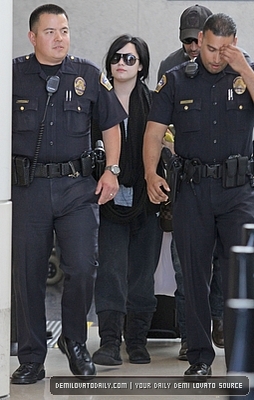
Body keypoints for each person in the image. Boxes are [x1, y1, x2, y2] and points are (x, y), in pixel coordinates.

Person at [11, 4, 127, 384]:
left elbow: (111, 126)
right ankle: (31, 357)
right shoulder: (12, 75)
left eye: (64, 30)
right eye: (50, 32)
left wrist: (111, 171)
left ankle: (75, 342)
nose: (59, 38)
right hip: (28, 189)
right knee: (28, 274)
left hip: (77, 188)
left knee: (82, 266)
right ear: (32, 36)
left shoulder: (88, 74)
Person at [143, 13, 254, 381]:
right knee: (193, 277)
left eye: (225, 49)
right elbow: (154, 132)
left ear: (235, 43)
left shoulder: (246, 75)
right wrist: (150, 173)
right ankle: (200, 356)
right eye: (210, 47)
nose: (216, 56)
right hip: (192, 189)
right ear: (199, 41)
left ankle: (238, 357)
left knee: (240, 275)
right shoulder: (175, 80)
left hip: (238, 191)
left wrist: (245, 69)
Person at [157, 4, 225, 361]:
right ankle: (189, 335)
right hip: (185, 179)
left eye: (199, 41)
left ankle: (217, 321)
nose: (193, 48)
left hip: (227, 184)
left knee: (225, 262)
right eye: (188, 41)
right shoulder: (171, 67)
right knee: (186, 266)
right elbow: (160, 126)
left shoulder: (234, 64)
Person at [91, 34, 163, 366]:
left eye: (130, 58)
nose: (121, 63)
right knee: (110, 271)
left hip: (146, 201)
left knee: (142, 274)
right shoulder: (96, 100)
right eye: (116, 57)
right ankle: (108, 341)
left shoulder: (154, 102)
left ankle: (137, 341)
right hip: (107, 199)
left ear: (142, 66)